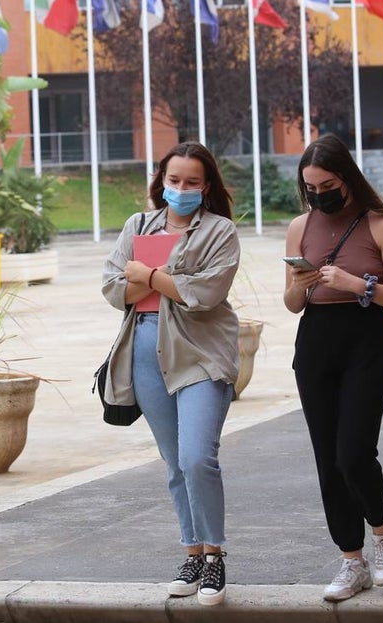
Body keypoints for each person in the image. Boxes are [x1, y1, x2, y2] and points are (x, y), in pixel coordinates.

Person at [101, 141, 241, 607]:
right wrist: (162, 281)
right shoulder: (138, 225)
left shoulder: (220, 231)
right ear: (161, 180)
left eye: (192, 182)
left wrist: (149, 275)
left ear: (207, 187)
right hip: (144, 347)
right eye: (173, 180)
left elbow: (205, 293)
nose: (181, 189)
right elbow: (111, 285)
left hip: (200, 351)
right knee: (175, 462)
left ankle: (215, 556)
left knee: (198, 456)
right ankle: (193, 553)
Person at [282, 134, 383, 603]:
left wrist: (360, 285)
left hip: (367, 341)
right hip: (315, 342)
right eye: (310, 186)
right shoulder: (300, 227)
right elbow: (291, 304)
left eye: (327, 183)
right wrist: (300, 283)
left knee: (353, 452)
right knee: (327, 458)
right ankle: (351, 559)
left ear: (347, 177)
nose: (319, 194)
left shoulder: (381, 226)